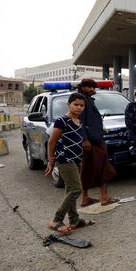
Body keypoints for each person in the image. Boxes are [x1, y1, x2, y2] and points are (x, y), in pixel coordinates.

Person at [45, 92, 94, 234]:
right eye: (76, 104)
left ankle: (74, 220)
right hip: (64, 159)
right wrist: (51, 159)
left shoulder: (79, 122)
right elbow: (52, 141)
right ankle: (56, 220)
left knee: (70, 189)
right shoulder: (62, 121)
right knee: (76, 190)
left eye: (82, 105)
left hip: (77, 159)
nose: (79, 108)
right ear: (69, 105)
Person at [77, 78, 118, 207]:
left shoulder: (88, 100)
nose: (93, 90)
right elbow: (80, 122)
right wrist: (85, 139)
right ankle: (103, 198)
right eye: (90, 87)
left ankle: (88, 198)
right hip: (91, 141)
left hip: (96, 139)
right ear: (83, 87)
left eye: (94, 88)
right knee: (100, 168)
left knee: (95, 168)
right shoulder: (81, 101)